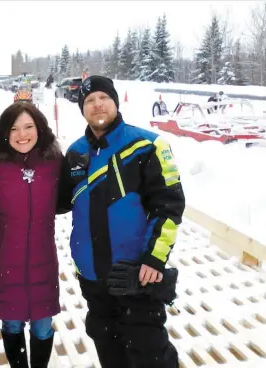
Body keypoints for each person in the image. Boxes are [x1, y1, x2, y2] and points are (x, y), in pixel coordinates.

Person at [58, 75, 186, 368]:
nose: (97, 104)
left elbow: (169, 206)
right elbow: (57, 202)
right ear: (82, 109)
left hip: (137, 276)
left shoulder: (148, 145)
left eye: (103, 97)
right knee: (109, 351)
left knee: (150, 354)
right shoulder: (75, 153)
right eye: (89, 100)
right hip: (92, 277)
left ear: (115, 101)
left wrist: (154, 259)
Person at [0, 102, 63, 368]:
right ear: (4, 132)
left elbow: (74, 195)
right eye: (14, 128)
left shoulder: (54, 162)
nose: (22, 134)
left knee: (42, 327)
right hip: (5, 261)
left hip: (43, 259)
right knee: (12, 323)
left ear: (40, 129)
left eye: (29, 127)